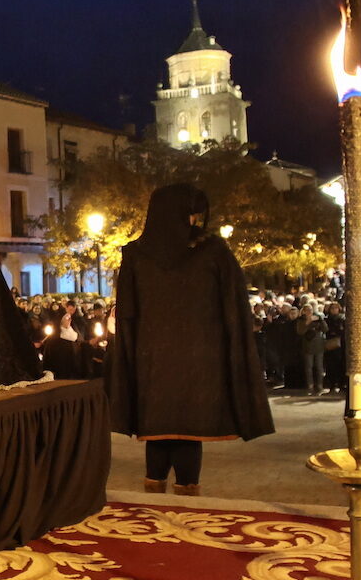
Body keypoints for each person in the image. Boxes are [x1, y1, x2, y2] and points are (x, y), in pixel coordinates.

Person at [109, 184, 274, 497]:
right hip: (200, 366)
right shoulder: (212, 251)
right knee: (187, 433)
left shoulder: (135, 254)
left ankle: (155, 501)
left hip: (152, 367)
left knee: (159, 433)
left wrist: (127, 365)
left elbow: (126, 317)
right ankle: (187, 503)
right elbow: (234, 308)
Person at [298, 308, 326, 396]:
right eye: (306, 311)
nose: (309, 312)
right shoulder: (301, 320)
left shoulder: (317, 319)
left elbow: (325, 329)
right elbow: (300, 331)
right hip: (308, 347)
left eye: (310, 310)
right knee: (309, 367)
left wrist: (321, 320)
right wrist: (307, 323)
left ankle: (320, 386)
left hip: (318, 346)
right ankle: (310, 386)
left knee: (319, 367)